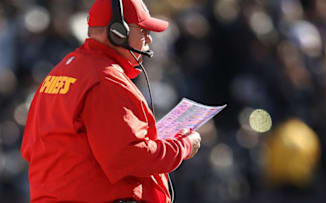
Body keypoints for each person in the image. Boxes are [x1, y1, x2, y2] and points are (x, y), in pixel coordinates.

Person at [20, 0, 201, 202]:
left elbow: (30, 148)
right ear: (118, 32)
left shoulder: (61, 71)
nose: (149, 39)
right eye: (143, 31)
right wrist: (182, 145)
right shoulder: (106, 80)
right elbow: (129, 157)